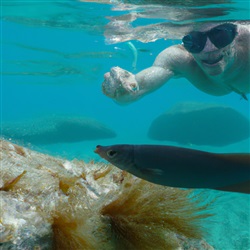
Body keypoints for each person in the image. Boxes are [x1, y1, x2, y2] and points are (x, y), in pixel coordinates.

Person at [102, 22, 250, 104]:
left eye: (220, 36)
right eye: (195, 42)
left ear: (235, 33)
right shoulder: (181, 58)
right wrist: (120, 90)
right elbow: (133, 94)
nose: (209, 50)